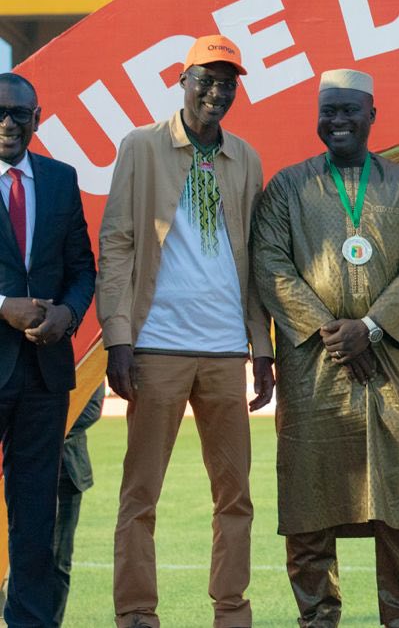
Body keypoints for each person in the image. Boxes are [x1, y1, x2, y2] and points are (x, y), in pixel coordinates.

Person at [252, 68, 399, 628]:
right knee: (310, 501)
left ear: (372, 115)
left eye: (348, 110)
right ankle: (318, 618)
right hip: (313, 370)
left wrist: (373, 328)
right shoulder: (288, 187)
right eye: (328, 110)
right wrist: (330, 331)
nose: (337, 120)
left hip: (390, 369)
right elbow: (271, 265)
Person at [98, 35, 272, 628]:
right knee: (140, 494)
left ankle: (232, 612)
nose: (217, 91)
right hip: (157, 347)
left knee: (236, 498)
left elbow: (253, 258)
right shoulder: (141, 146)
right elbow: (117, 241)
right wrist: (118, 337)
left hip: (226, 350)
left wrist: (262, 346)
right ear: (183, 80)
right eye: (207, 79)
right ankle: (137, 615)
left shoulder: (245, 157)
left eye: (228, 82)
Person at [0, 72, 95, 627]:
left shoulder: (61, 179)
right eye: (0, 112)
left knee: (36, 516)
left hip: (43, 373)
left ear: (39, 117)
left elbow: (82, 269)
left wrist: (68, 313)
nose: (8, 123)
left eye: (19, 113)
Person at [53, 383, 105, 624]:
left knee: (59, 560)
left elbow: (91, 408)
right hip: (19, 467)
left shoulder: (83, 352)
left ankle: (51, 622)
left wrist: (40, 428)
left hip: (67, 471)